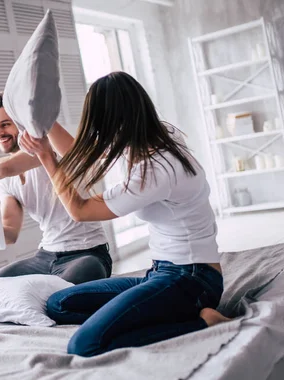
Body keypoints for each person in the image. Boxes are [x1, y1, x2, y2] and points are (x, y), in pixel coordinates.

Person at [19, 71, 231, 357]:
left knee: (85, 345)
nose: (92, 128)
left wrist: (46, 158)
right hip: (160, 272)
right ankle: (150, 314)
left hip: (191, 281)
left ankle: (201, 322)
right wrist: (43, 119)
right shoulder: (152, 137)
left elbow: (80, 211)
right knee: (60, 304)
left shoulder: (155, 169)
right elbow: (78, 153)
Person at [0, 92, 112, 285]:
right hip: (45, 255)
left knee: (60, 295)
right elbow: (9, 233)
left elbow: (3, 168)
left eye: (5, 124)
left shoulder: (52, 149)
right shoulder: (6, 182)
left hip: (86, 253)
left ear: (23, 123)